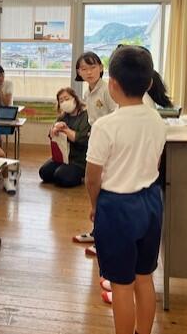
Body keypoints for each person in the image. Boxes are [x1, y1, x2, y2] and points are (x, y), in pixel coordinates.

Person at [85, 46, 167, 334]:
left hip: (117, 208)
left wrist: (95, 205)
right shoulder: (158, 121)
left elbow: (92, 178)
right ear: (149, 83)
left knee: (121, 285)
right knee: (144, 278)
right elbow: (155, 163)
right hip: (151, 203)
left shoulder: (105, 126)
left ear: (112, 84)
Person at [73, 51, 118, 245]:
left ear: (101, 68)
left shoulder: (107, 90)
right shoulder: (88, 92)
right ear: (78, 72)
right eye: (84, 69)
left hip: (109, 144)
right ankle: (98, 231)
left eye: (93, 67)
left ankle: (103, 234)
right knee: (95, 187)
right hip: (96, 142)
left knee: (104, 187)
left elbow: (117, 116)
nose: (89, 72)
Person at [38, 88, 90, 188]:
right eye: (61, 101)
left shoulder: (85, 116)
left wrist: (65, 129)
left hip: (79, 160)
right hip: (63, 157)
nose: (64, 102)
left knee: (61, 177)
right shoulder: (63, 117)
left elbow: (80, 138)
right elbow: (51, 135)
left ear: (75, 98)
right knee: (44, 173)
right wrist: (54, 130)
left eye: (67, 99)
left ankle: (79, 176)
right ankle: (62, 170)